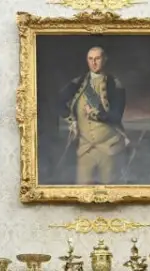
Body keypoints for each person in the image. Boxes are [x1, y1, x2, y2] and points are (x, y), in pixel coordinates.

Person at [57, 46, 128, 185]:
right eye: (90, 59)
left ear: (105, 60)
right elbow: (58, 101)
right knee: (82, 191)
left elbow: (116, 116)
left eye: (97, 59)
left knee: (110, 191)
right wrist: (72, 120)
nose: (94, 63)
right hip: (85, 149)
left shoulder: (115, 84)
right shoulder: (78, 82)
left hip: (110, 148)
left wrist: (95, 113)